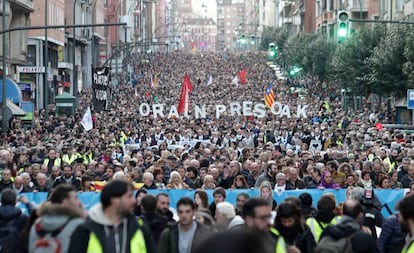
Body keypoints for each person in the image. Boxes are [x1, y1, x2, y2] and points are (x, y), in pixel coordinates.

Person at [68, 180, 157, 253]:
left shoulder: (140, 227)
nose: (134, 201)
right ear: (115, 200)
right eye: (129, 196)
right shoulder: (84, 230)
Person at [28, 184, 85, 253]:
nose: (79, 202)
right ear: (65, 202)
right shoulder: (77, 224)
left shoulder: (37, 224)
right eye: (76, 198)